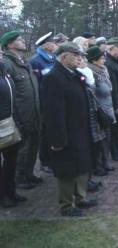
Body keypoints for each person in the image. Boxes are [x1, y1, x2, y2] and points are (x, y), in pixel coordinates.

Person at [42, 42, 97, 217]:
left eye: (80, 55)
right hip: (66, 132)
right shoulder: (54, 78)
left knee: (82, 166)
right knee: (67, 170)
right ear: (64, 57)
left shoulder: (75, 74)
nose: (80, 58)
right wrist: (58, 140)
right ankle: (67, 205)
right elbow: (53, 112)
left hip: (80, 129)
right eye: (76, 55)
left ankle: (80, 198)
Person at [0, 31, 42, 190]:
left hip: (33, 112)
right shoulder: (7, 64)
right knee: (22, 149)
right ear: (10, 44)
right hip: (21, 115)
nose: (23, 41)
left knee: (33, 146)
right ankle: (19, 179)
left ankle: (28, 173)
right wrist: (17, 117)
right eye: (19, 39)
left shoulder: (24, 61)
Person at [0, 52, 27, 208]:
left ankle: (10, 192)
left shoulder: (4, 71)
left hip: (10, 124)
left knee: (11, 161)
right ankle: (3, 196)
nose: (1, 53)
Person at [29, 32, 58, 174]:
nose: (55, 44)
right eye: (52, 42)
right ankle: (45, 161)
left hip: (54, 100)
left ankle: (53, 159)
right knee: (45, 133)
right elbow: (36, 84)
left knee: (53, 131)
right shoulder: (36, 61)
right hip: (44, 102)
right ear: (45, 45)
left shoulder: (52, 58)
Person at [87, 46, 115, 176]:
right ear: (94, 61)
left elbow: (109, 88)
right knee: (101, 139)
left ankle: (106, 161)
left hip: (107, 108)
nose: (104, 60)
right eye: (101, 58)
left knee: (107, 137)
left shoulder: (103, 70)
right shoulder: (91, 73)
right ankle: (99, 164)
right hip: (99, 110)